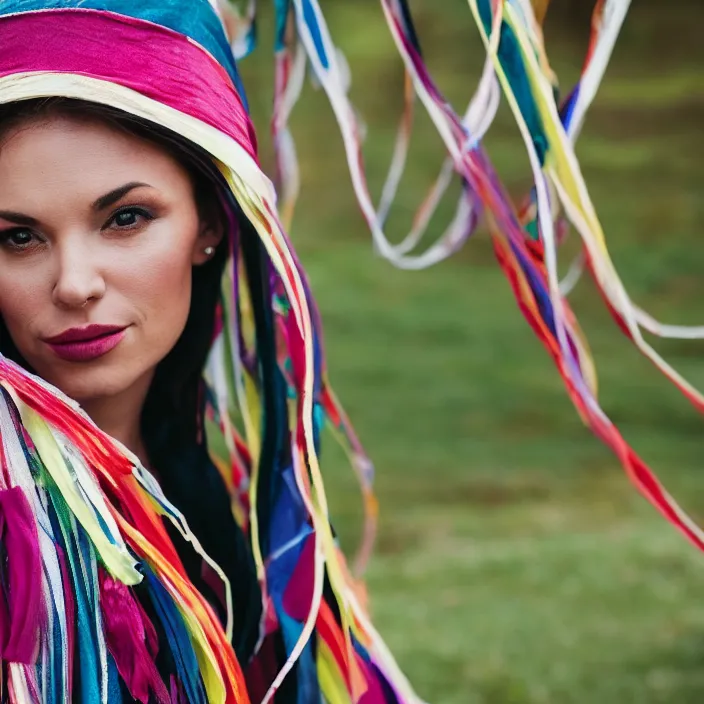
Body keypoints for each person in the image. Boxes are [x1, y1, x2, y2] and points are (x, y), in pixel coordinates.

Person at [0, 1, 417, 702]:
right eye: (17, 237)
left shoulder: (201, 490)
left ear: (210, 225)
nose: (74, 284)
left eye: (125, 218)